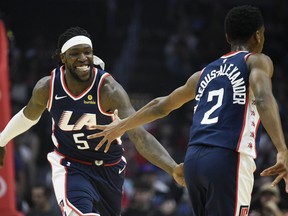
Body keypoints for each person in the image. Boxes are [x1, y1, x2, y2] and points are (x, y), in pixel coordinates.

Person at [87, 5, 288, 215]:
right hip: (228, 156)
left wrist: (122, 125)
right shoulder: (257, 60)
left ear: (227, 37)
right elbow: (264, 99)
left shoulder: (203, 73)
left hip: (193, 161)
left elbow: (160, 106)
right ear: (258, 36)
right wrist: (282, 149)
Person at [0, 26, 185, 216]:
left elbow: (140, 136)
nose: (83, 58)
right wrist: (2, 140)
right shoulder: (48, 87)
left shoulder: (109, 90)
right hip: (70, 165)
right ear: (62, 57)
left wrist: (172, 168)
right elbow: (28, 116)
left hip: (109, 169)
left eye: (87, 52)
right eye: (75, 53)